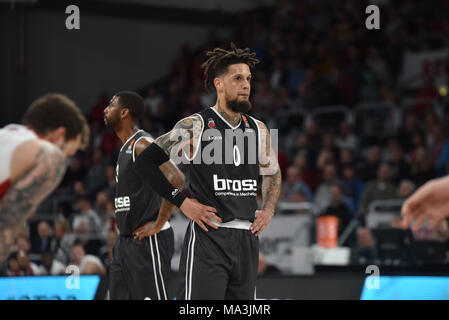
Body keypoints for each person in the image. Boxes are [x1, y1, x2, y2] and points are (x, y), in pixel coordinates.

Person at [143, 44, 282, 299]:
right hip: (210, 238)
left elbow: (272, 172)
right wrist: (182, 203)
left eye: (249, 79)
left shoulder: (258, 129)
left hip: (247, 240)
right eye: (238, 78)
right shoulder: (195, 125)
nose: (246, 85)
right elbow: (145, 162)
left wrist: (269, 209)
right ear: (219, 84)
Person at [103, 91, 213, 300]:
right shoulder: (126, 147)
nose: (105, 110)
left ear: (124, 112)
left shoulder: (141, 143)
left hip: (147, 241)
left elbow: (177, 178)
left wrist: (159, 221)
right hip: (125, 242)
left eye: (111, 105)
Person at [0, 93, 89, 263]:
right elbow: (4, 228)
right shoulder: (50, 155)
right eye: (68, 153)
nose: (65, 160)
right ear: (59, 135)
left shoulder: (10, 136)